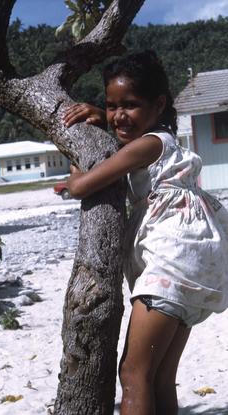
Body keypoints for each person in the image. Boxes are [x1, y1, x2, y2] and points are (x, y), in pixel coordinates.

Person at [63, 50, 228, 415]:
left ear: (158, 104)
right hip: (192, 262)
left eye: (131, 105)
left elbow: (81, 187)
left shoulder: (148, 144)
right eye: (111, 106)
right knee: (158, 378)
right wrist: (103, 121)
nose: (119, 115)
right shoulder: (161, 144)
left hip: (172, 261)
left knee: (133, 374)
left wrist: (76, 159)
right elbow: (122, 138)